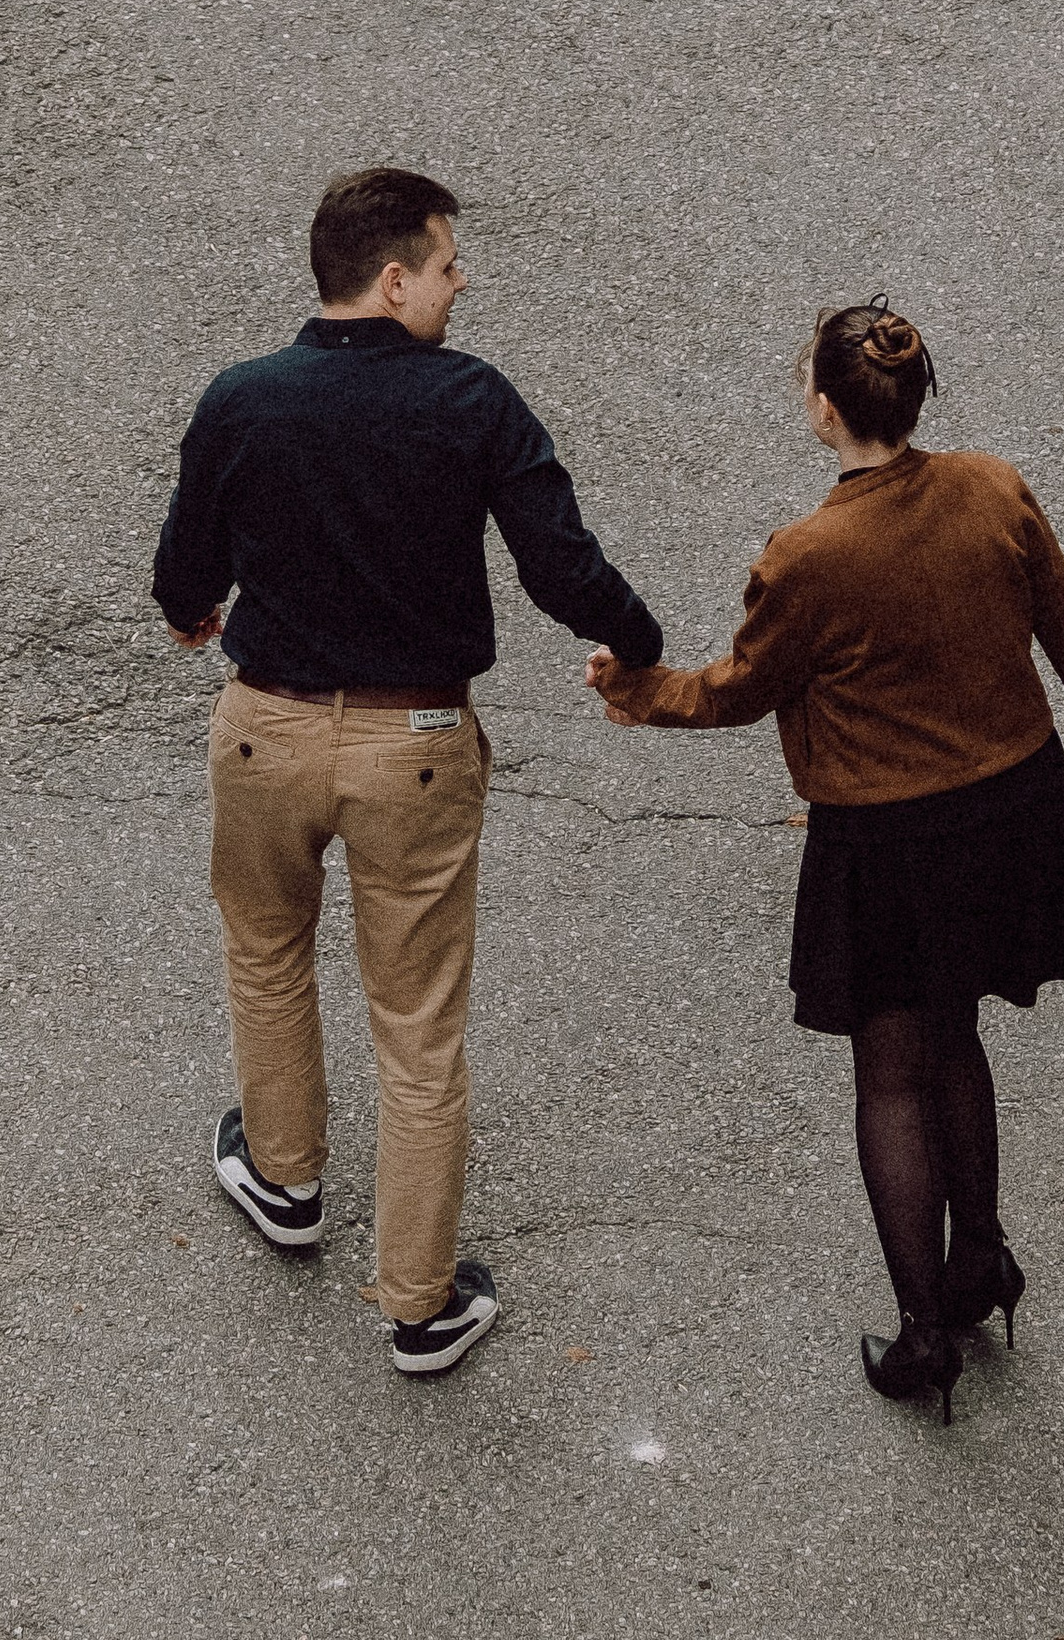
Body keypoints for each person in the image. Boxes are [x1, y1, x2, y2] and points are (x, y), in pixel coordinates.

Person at [586, 297, 1064, 1423]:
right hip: (1009, 808)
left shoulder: (810, 555)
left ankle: (919, 1336)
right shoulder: (993, 489)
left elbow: (741, 690)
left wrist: (636, 691)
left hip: (887, 840)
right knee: (959, 1039)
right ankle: (981, 1262)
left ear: (821, 410)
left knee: (890, 1072)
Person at [152, 164, 664, 1376]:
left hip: (262, 733)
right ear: (393, 281)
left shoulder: (241, 400)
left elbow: (183, 574)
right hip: (416, 749)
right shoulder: (471, 403)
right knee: (419, 1027)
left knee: (268, 953)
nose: (459, 278)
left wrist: (194, 613)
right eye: (445, 261)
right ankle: (420, 1305)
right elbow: (560, 566)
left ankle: (284, 1180)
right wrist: (636, 647)